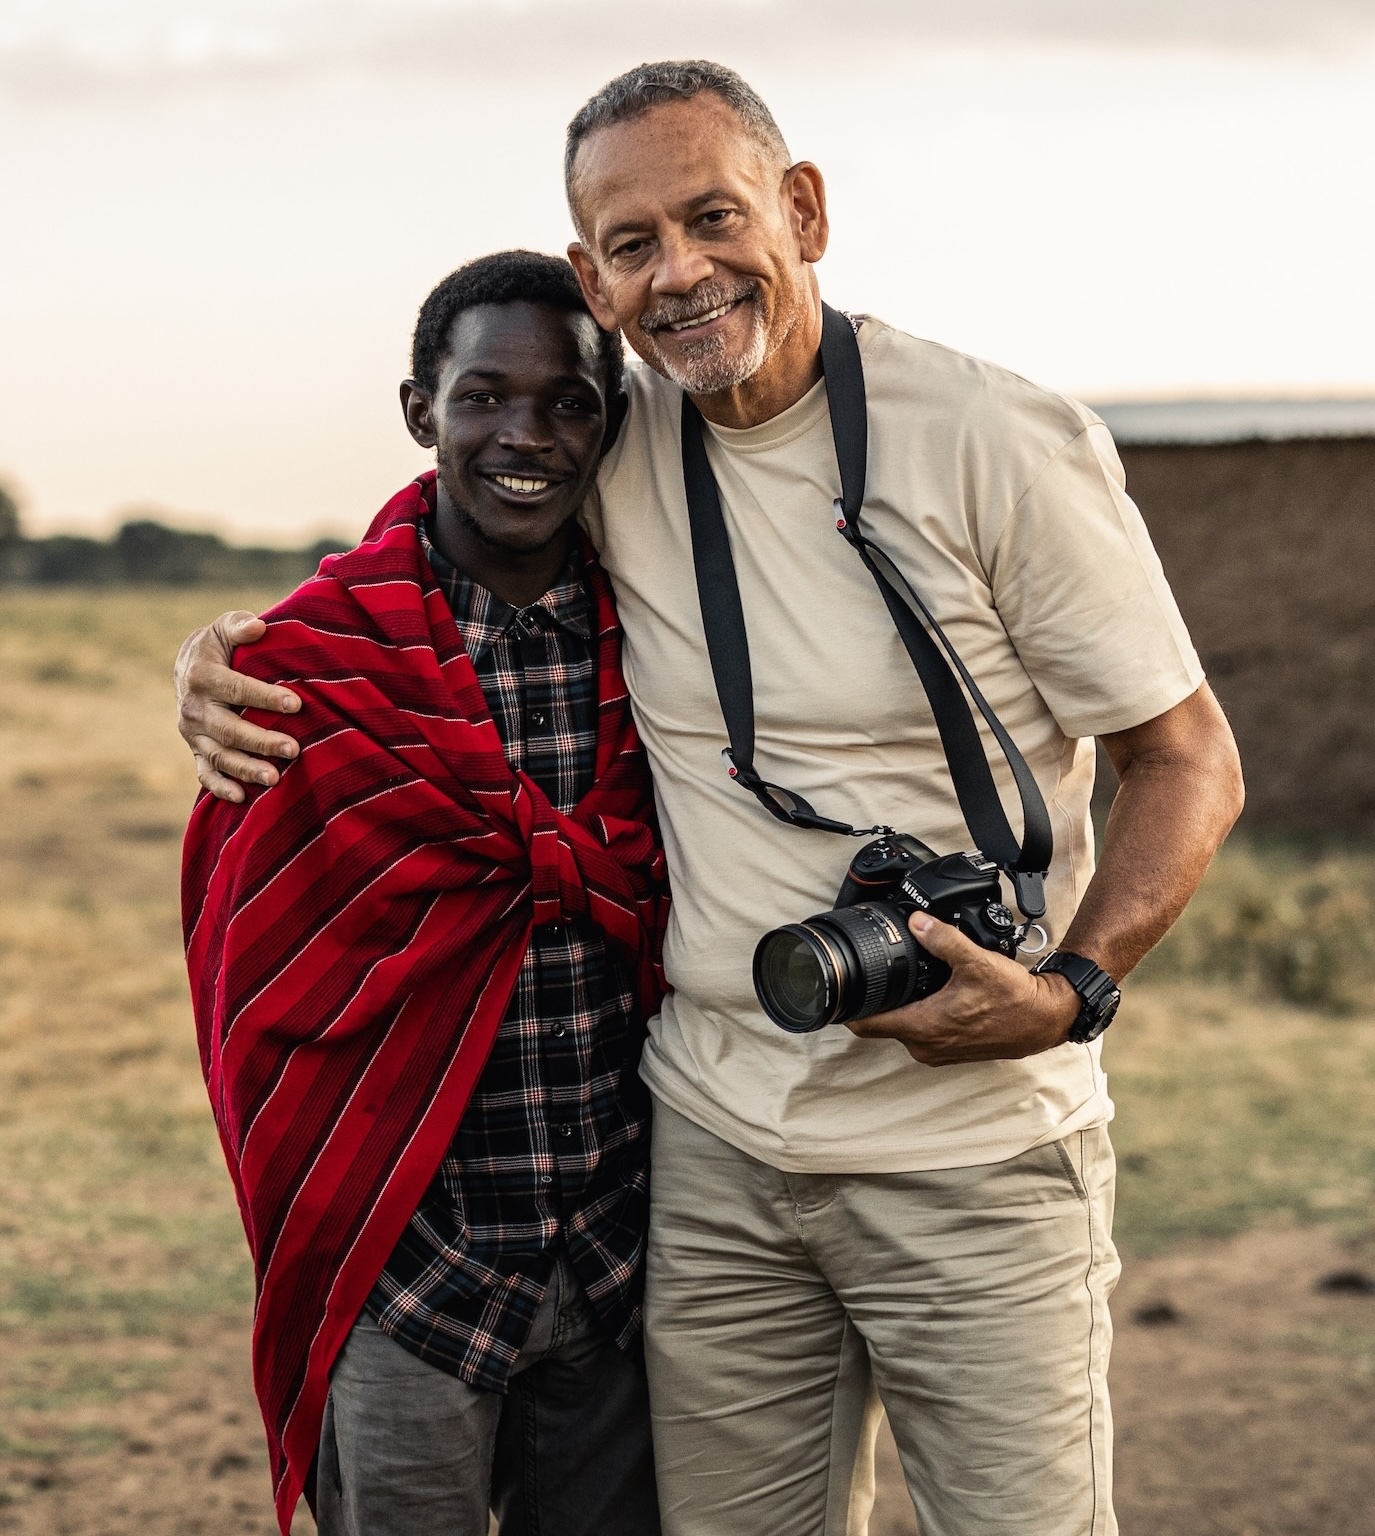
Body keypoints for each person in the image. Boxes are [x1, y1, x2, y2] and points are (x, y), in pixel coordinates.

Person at [175, 62, 1245, 1536]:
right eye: (630, 245)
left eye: (710, 217)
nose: (677, 273)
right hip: (709, 1160)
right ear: (590, 278)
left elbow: (1186, 754)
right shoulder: (620, 442)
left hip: (973, 1155)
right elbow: (448, 524)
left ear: (800, 211)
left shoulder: (991, 435)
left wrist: (1074, 985)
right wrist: (234, 654)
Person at [180, 251, 666, 1536]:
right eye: (482, 397)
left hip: (622, 1250)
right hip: (407, 1267)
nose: (527, 434)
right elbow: (254, 987)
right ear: (419, 411)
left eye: (568, 403)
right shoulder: (308, 666)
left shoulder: (665, 644)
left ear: (607, 422)